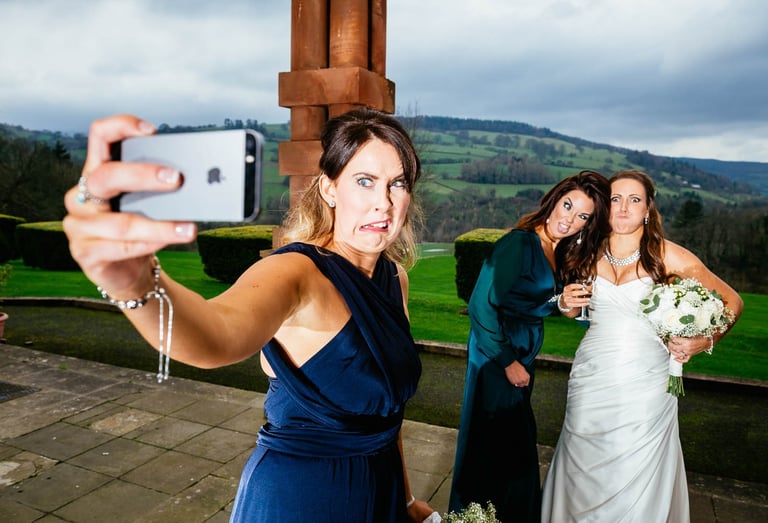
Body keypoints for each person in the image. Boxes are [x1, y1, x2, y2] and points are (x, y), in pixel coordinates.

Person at [63, 108, 437, 522]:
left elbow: (388, 417)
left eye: (397, 183)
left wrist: (404, 501)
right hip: (303, 498)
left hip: (380, 490)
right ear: (330, 189)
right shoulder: (296, 272)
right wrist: (135, 284)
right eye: (364, 181)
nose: (383, 203)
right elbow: (214, 335)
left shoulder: (394, 278)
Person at [540, 169, 744, 522]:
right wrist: (567, 303)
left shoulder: (670, 256)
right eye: (616, 199)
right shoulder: (585, 252)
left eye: (634, 200)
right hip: (591, 376)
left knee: (634, 465)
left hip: (647, 383)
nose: (623, 208)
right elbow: (574, 310)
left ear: (648, 209)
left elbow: (732, 302)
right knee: (582, 457)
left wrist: (703, 340)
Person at [448, 170, 611, 523]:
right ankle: (475, 515)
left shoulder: (555, 248)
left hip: (520, 356)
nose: (569, 219)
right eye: (567, 206)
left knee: (509, 448)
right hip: (496, 358)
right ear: (554, 199)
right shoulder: (519, 243)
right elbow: (481, 305)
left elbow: (530, 302)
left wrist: (561, 304)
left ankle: (499, 515)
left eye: (582, 216)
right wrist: (508, 362)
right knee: (500, 447)